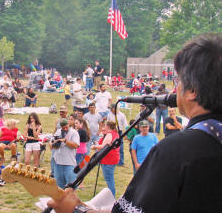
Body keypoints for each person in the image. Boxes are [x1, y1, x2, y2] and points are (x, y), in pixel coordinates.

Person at [46, 34, 222, 213]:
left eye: (179, 81)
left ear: (192, 90)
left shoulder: (176, 152)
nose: (175, 88)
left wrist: (75, 210)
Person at [92, 121, 120, 197]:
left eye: (105, 126)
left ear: (108, 126)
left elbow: (103, 146)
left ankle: (112, 197)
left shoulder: (110, 134)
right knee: (110, 179)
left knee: (109, 179)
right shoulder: (116, 133)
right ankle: (111, 196)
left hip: (108, 160)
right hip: (113, 159)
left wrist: (94, 146)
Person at [52, 118, 80, 189]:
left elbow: (75, 145)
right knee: (59, 187)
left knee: (71, 188)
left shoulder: (74, 132)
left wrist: (65, 141)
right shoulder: (58, 132)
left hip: (69, 164)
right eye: (63, 127)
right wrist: (53, 143)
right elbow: (52, 142)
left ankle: (71, 200)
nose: (64, 129)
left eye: (66, 127)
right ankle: (62, 200)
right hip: (58, 163)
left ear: (69, 124)